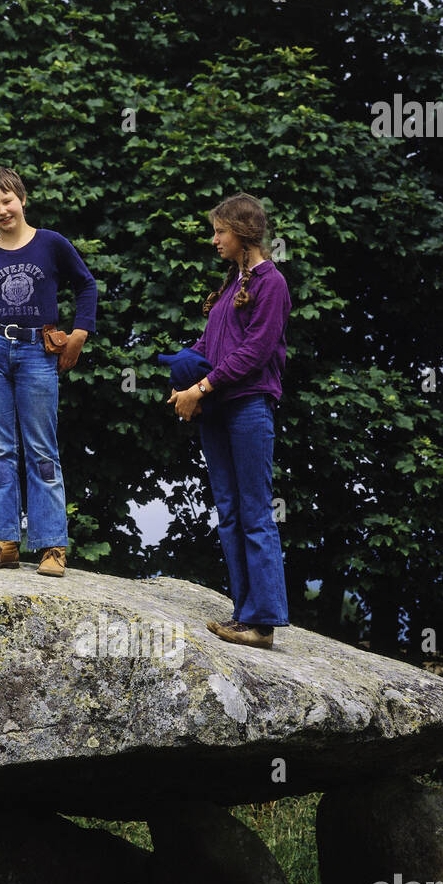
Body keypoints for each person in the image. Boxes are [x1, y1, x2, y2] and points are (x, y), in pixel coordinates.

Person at [0, 165, 98, 578]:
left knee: (42, 448)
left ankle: (52, 546)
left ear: (22, 198)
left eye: (7, 200)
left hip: (39, 350)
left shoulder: (51, 244)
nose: (2, 210)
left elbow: (86, 285)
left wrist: (79, 334)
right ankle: (2, 542)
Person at [168, 193, 290, 648]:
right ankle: (245, 614)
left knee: (256, 512)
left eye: (220, 231)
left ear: (242, 232)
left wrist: (200, 388)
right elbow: (207, 349)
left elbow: (254, 353)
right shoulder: (228, 287)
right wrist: (185, 382)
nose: (214, 239)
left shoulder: (271, 283)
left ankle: (264, 622)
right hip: (217, 408)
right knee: (230, 513)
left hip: (248, 407)